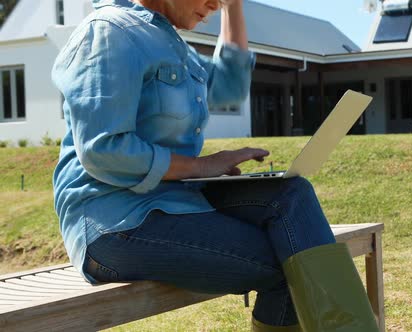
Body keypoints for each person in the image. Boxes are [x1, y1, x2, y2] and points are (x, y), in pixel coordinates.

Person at [52, 0, 378, 331]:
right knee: (292, 267)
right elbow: (104, 149)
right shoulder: (110, 32)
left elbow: (230, 85)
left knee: (291, 193)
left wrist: (233, 8)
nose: (213, 4)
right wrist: (202, 166)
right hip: (115, 221)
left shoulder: (172, 43)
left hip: (176, 201)